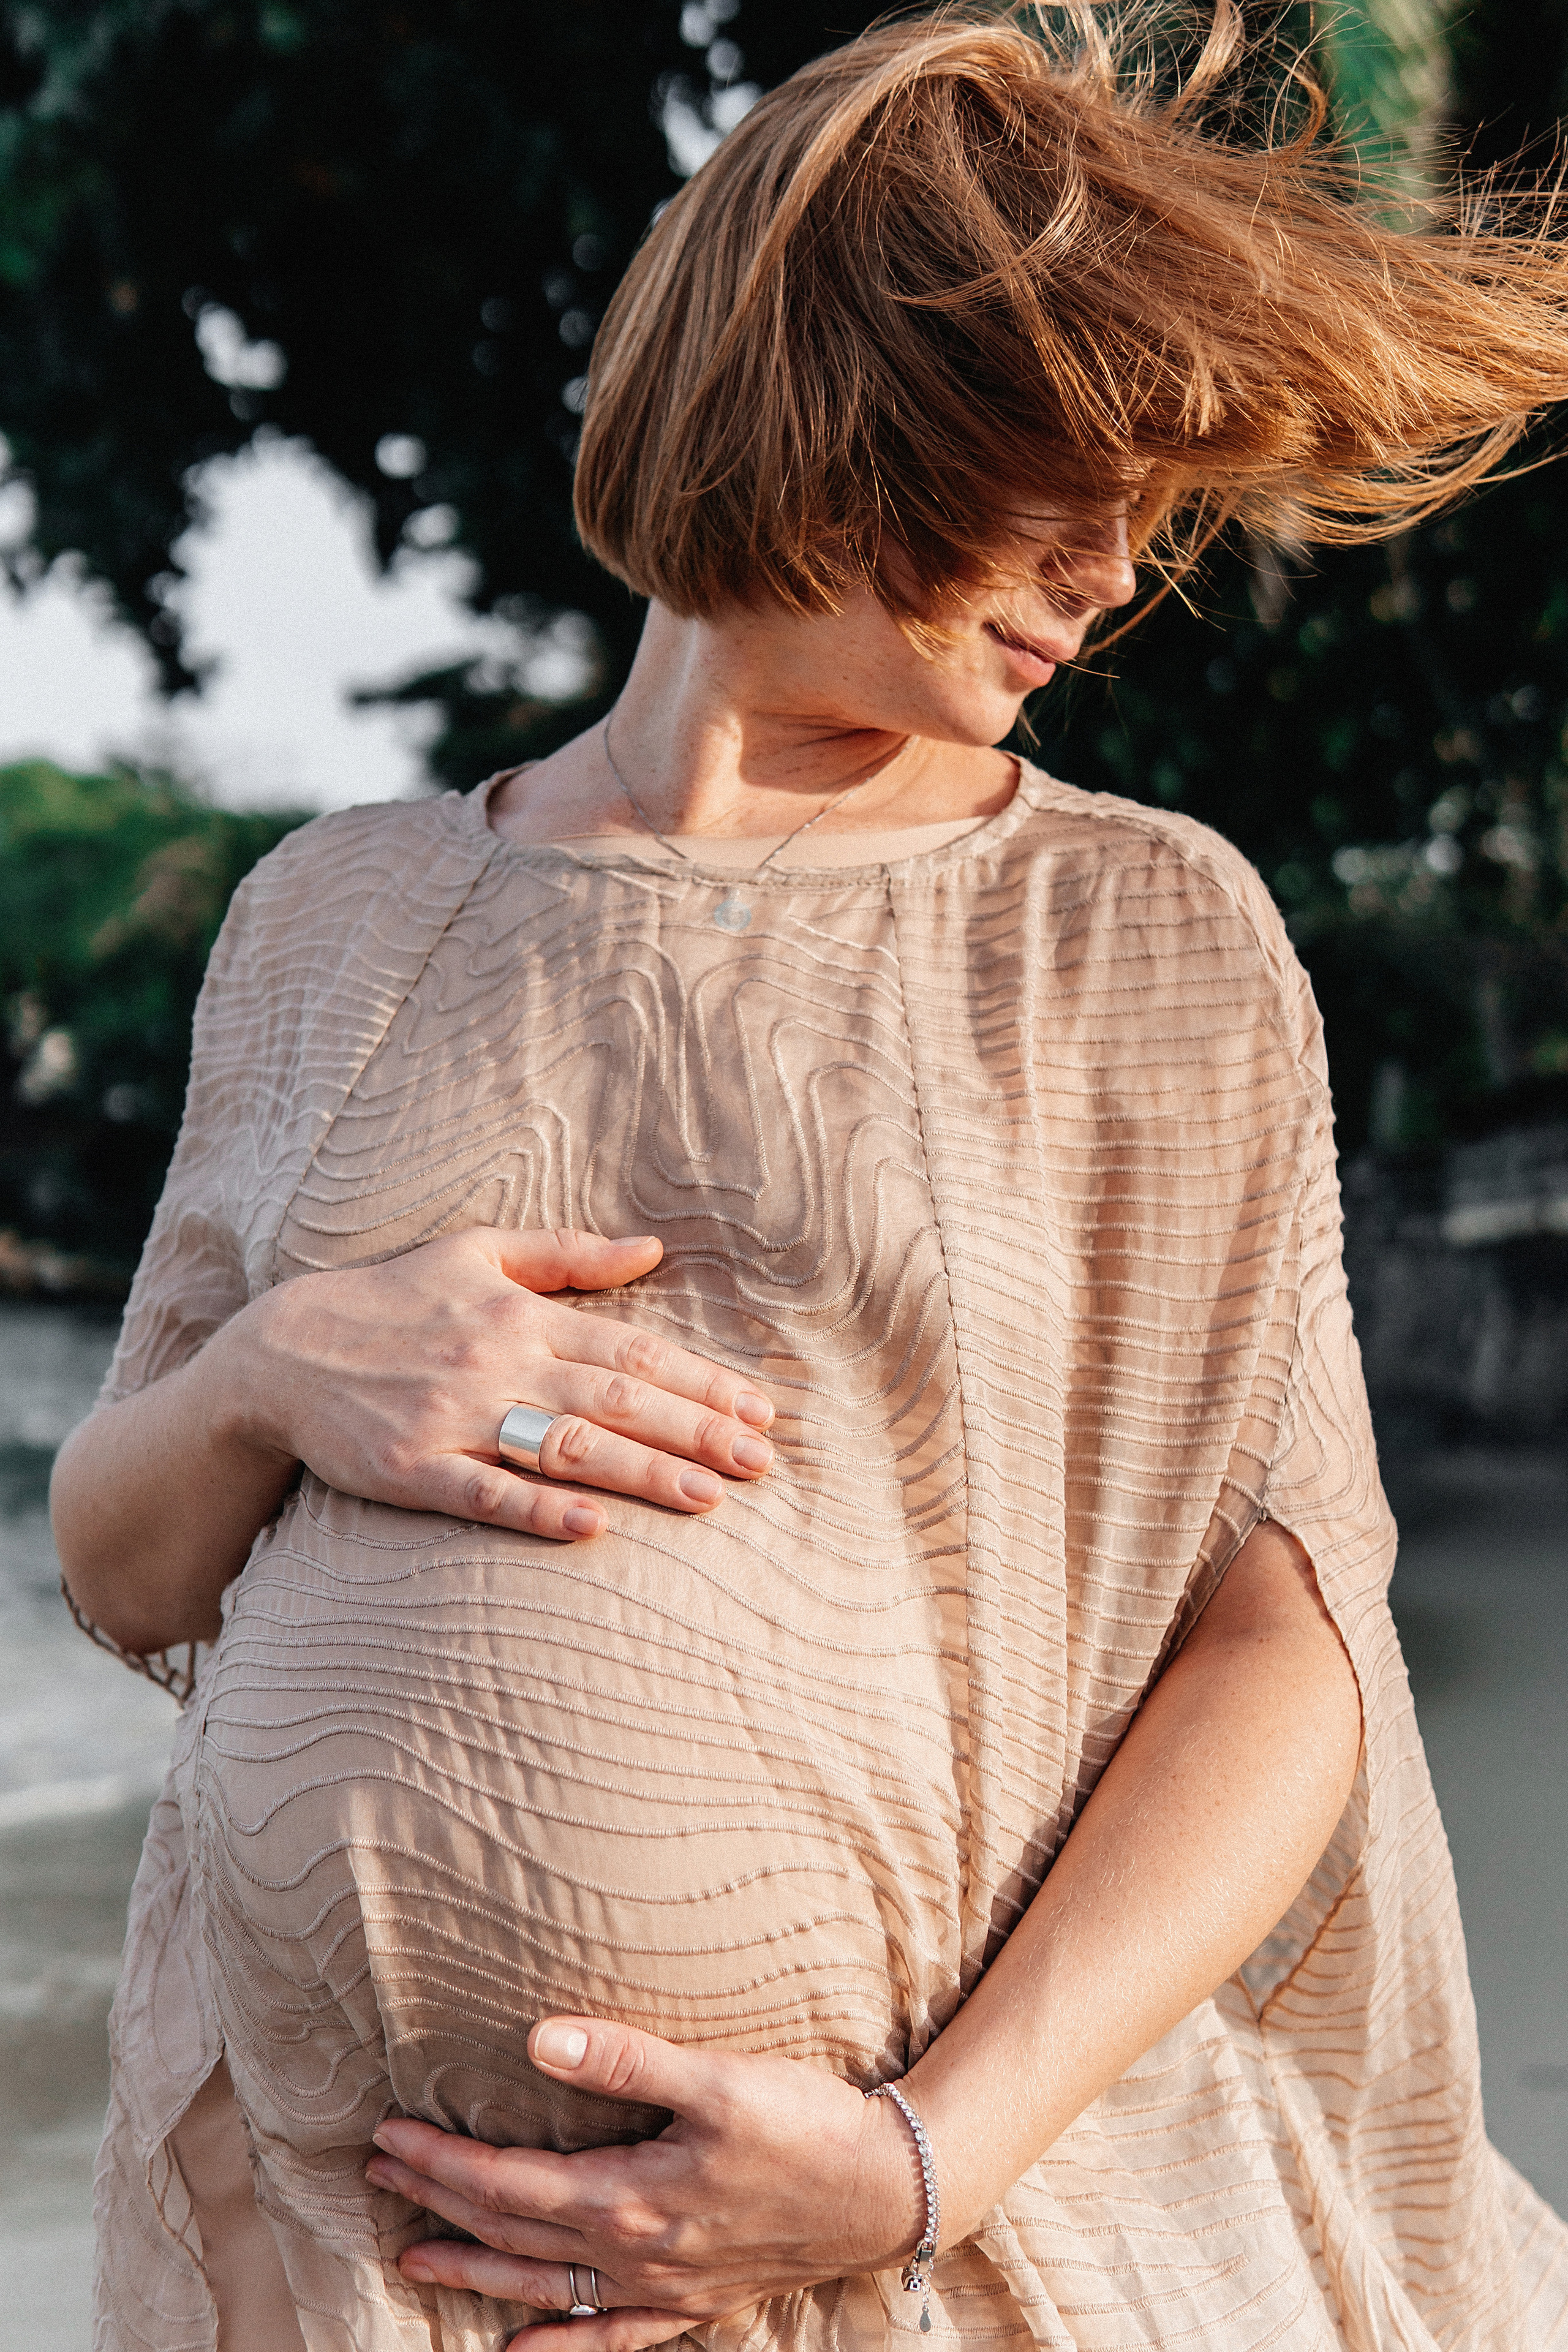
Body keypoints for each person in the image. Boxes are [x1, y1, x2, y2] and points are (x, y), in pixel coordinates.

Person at [52, 7, 1568, 2348]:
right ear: (845, 391)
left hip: (895, 2257)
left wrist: (905, 2164)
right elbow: (117, 1554)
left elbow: (1288, 1643)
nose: (1113, 567)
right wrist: (267, 1375)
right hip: (352, 2281)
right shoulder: (330, 918)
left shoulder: (1136, 931)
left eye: (1152, 505)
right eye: (1062, 471)